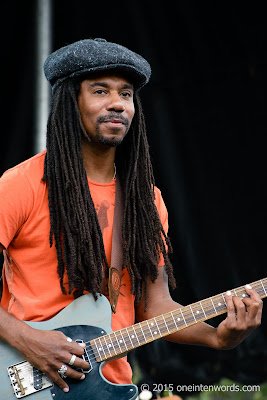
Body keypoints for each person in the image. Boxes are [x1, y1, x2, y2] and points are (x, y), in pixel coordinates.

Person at [0, 38, 263, 395]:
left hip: (110, 386)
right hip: (23, 379)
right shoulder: (21, 185)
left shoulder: (146, 201)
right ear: (69, 103)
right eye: (99, 91)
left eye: (126, 94)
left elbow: (156, 308)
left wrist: (219, 338)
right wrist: (29, 338)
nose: (117, 104)